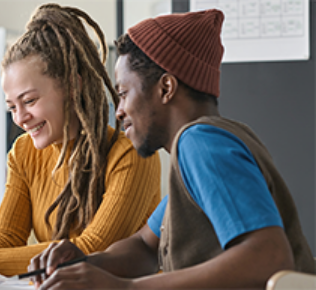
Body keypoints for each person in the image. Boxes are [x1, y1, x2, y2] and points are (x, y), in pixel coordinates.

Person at [27, 8, 316, 290]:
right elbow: (144, 247)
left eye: (124, 93)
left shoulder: (201, 143)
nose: (119, 111)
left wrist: (126, 288)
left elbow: (268, 258)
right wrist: (86, 264)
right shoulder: (204, 149)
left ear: (166, 88)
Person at [0, 3, 161, 277]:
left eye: (29, 101)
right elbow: (6, 238)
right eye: (11, 107)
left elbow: (91, 249)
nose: (20, 118)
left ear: (72, 86)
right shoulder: (23, 152)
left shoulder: (129, 153)